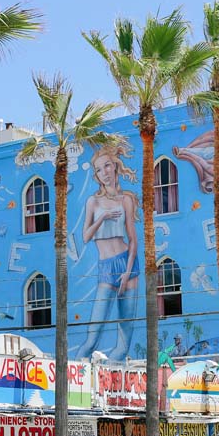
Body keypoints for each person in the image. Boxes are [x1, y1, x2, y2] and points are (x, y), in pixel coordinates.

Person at [76, 144, 140, 360]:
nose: (103, 172)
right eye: (98, 169)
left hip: (127, 265)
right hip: (106, 267)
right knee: (92, 337)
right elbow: (85, 236)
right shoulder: (92, 202)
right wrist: (102, 217)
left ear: (115, 167)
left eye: (107, 166)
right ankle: (76, 381)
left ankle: (108, 384)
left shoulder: (126, 200)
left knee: (123, 343)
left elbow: (133, 239)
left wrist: (128, 271)